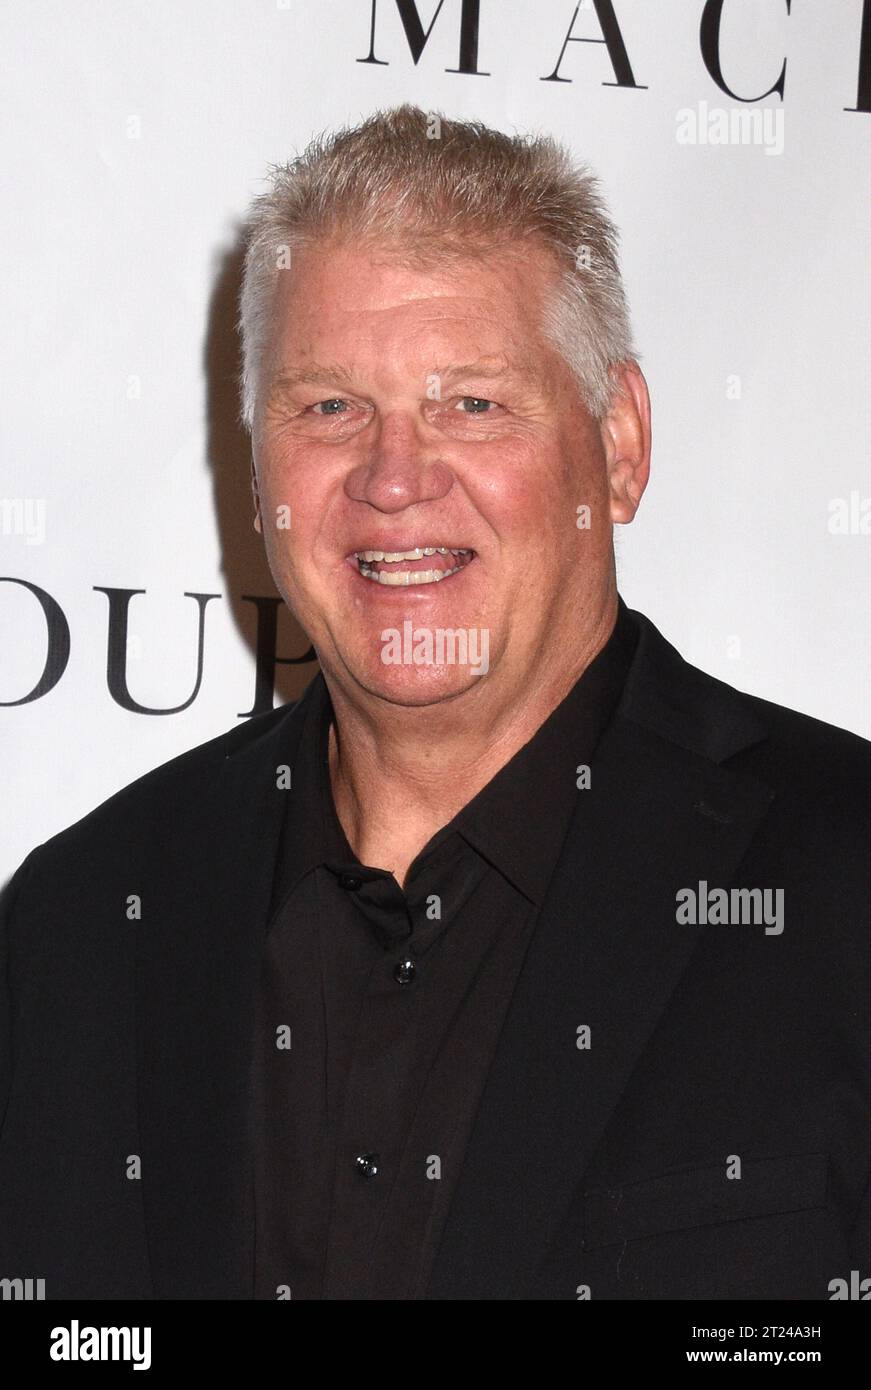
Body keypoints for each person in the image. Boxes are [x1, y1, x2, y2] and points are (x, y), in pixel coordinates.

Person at [1, 103, 869, 1301]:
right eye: (327, 407)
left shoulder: (843, 877)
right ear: (258, 472)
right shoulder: (80, 923)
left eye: (471, 401)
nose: (392, 477)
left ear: (619, 444)